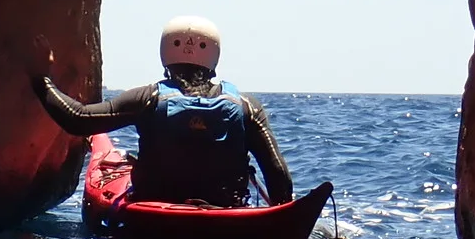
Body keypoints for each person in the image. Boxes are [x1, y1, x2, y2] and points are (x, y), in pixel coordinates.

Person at [31, 15, 293, 207]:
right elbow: (277, 173)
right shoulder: (246, 106)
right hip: (226, 213)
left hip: (155, 214)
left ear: (165, 53)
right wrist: (281, 214)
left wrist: (41, 78)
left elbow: (77, 119)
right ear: (214, 56)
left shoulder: (148, 98)